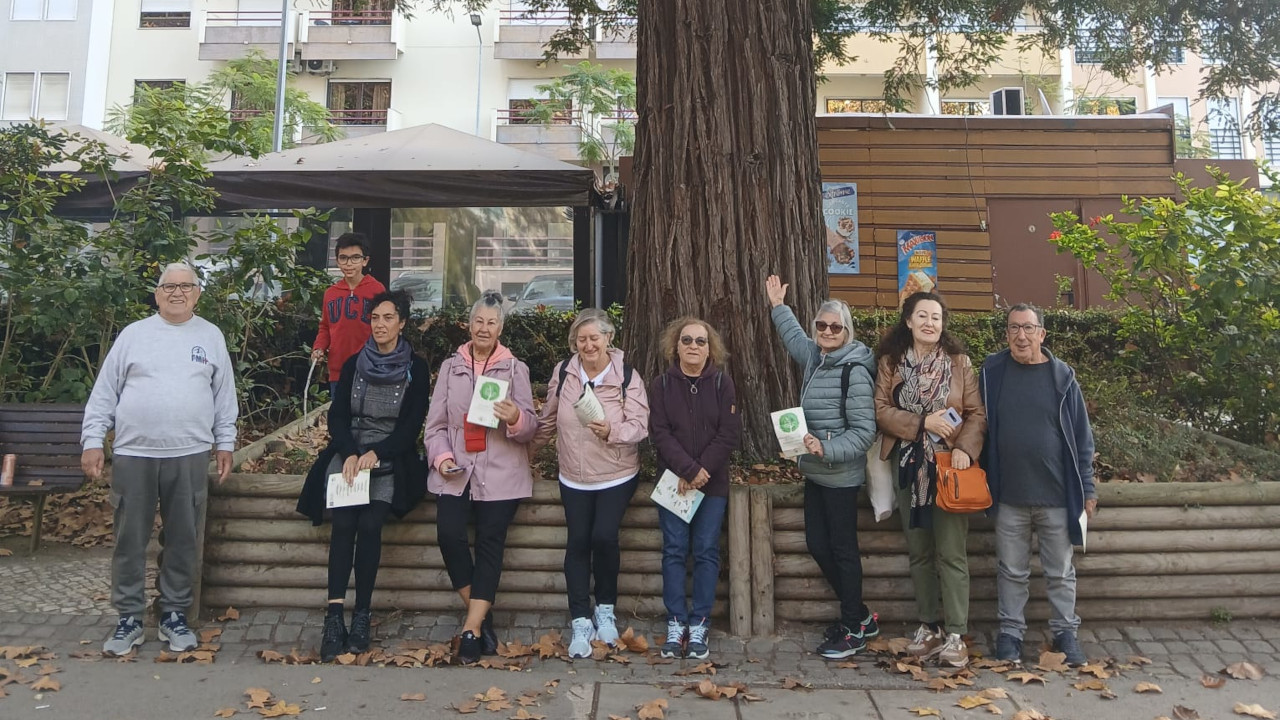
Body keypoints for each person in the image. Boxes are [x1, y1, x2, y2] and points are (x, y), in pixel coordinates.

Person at [81, 262, 237, 656]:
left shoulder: (210, 335)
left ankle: (173, 614)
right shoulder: (134, 336)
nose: (178, 292)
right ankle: (129, 618)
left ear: (198, 293)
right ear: (157, 293)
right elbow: (104, 393)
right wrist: (92, 440)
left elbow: (224, 397)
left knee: (183, 538)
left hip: (189, 453)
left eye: (186, 286)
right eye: (169, 286)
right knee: (129, 539)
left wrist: (226, 443)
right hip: (135, 453)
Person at [296, 290, 430, 662]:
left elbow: (411, 425)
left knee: (371, 525)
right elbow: (338, 415)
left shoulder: (416, 368)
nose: (381, 325)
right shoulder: (355, 362)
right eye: (375, 319)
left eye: (389, 318)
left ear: (402, 323)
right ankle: (335, 615)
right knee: (343, 523)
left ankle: (362, 615)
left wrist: (377, 453)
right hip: (351, 451)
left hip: (390, 456)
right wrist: (352, 452)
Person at [765, 274, 878, 660]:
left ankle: (853, 628)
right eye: (822, 325)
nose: (827, 331)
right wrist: (779, 306)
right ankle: (861, 616)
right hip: (814, 474)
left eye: (835, 327)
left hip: (841, 478)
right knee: (818, 545)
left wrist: (826, 447)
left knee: (844, 551)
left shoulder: (855, 371)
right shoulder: (816, 357)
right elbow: (794, 339)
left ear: (847, 332)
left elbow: (864, 433)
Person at [423, 292, 538, 665]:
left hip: (501, 470)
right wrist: (440, 459)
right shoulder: (450, 367)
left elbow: (531, 427)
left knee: (490, 543)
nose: (484, 328)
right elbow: (435, 426)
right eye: (478, 321)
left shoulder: (514, 368)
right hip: (457, 470)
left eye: (491, 322)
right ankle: (482, 619)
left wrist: (515, 418)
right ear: (468, 325)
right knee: (449, 534)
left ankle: (471, 630)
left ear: (500, 328)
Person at [980, 303, 1097, 668]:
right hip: (1009, 495)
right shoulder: (992, 372)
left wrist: (1088, 489)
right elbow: (976, 423)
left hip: (1057, 496)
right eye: (1014, 328)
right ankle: (1011, 635)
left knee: (1061, 572)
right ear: (1006, 334)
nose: (1021, 336)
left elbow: (1082, 439)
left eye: (1029, 328)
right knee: (1011, 571)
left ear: (1042, 334)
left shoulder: (1063, 379)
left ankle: (1065, 634)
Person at [873, 292, 986, 668]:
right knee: (919, 550)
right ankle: (928, 626)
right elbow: (880, 410)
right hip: (907, 464)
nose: (930, 323)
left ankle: (955, 633)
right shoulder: (891, 363)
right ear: (908, 321)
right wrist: (922, 423)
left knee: (951, 552)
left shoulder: (959, 364)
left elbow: (975, 414)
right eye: (922, 316)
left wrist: (965, 449)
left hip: (948, 466)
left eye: (936, 317)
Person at [533, 308, 650, 659]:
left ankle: (607, 610)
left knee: (604, 536)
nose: (588, 345)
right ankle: (581, 618)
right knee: (578, 542)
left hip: (616, 473)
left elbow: (641, 424)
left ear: (608, 338)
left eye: (594, 338)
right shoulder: (564, 371)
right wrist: (524, 446)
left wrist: (613, 432)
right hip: (573, 474)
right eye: (581, 339)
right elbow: (549, 418)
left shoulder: (627, 375)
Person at [648, 317, 741, 661]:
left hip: (711, 484)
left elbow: (729, 433)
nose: (693, 346)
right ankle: (675, 622)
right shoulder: (661, 385)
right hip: (674, 482)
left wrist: (702, 470)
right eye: (686, 340)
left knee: (705, 550)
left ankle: (699, 622)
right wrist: (687, 469)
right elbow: (660, 432)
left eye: (701, 341)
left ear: (710, 347)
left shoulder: (722, 384)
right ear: (675, 346)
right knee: (673, 550)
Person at [312, 232, 387, 395]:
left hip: (370, 369)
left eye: (355, 258)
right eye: (343, 258)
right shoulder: (331, 293)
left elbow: (385, 328)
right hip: (337, 371)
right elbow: (325, 327)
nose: (349, 263)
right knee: (341, 418)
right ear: (337, 261)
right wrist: (318, 348)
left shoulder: (377, 290)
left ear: (365, 260)